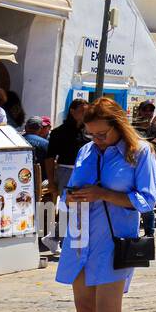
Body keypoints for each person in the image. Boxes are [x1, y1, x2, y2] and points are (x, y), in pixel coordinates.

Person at [55, 97, 156, 312]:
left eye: (102, 134)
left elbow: (147, 200)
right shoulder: (87, 151)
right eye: (91, 134)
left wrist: (103, 194)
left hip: (113, 242)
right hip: (80, 239)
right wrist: (71, 197)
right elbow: (67, 192)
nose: (97, 140)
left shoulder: (139, 152)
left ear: (118, 126)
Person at [43, 99, 88, 252]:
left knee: (78, 207)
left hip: (83, 172)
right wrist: (51, 181)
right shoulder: (59, 132)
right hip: (66, 171)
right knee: (69, 206)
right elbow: (50, 158)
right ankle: (56, 237)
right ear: (72, 111)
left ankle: (57, 237)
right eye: (82, 110)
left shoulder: (88, 131)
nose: (85, 114)